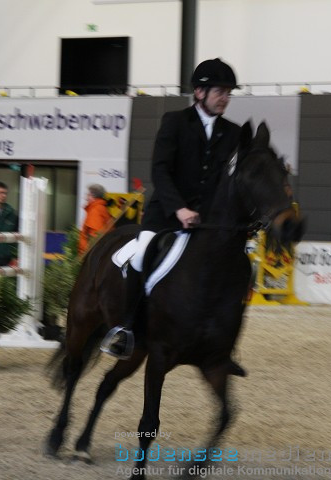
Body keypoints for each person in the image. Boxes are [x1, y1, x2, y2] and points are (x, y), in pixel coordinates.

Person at [102, 58, 241, 358]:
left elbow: (227, 181)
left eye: (229, 93)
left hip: (207, 222)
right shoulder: (175, 122)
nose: (226, 98)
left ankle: (222, 343)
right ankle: (125, 329)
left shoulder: (232, 133)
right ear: (200, 92)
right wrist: (179, 209)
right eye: (220, 91)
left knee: (237, 266)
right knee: (140, 256)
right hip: (166, 216)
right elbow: (160, 170)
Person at [78, 184, 113, 255]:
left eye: (88, 195)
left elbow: (96, 238)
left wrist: (86, 255)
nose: (86, 198)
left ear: (92, 196)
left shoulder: (95, 211)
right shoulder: (101, 208)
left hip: (93, 254)